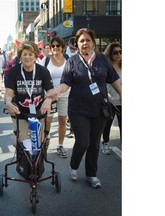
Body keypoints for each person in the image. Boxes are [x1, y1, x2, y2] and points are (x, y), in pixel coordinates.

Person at [47, 28, 121, 188]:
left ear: (93, 42)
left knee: (94, 143)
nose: (85, 43)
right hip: (78, 109)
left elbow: (113, 79)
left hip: (99, 109)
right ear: (77, 44)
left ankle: (91, 174)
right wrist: (57, 91)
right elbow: (66, 82)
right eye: (81, 41)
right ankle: (74, 165)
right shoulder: (72, 61)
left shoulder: (102, 60)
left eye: (88, 40)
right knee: (83, 141)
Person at [4, 41, 55, 146]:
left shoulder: (43, 71)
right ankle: (23, 160)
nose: (27, 57)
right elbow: (8, 94)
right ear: (20, 57)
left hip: (39, 111)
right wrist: (8, 103)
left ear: (36, 56)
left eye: (30, 54)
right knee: (21, 144)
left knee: (40, 144)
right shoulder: (14, 71)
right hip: (20, 112)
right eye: (24, 54)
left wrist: (48, 100)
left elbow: (51, 91)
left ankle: (39, 159)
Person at [39, 37, 69, 158]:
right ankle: (45, 140)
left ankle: (60, 145)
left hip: (65, 96)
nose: (55, 48)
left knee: (62, 121)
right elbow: (38, 74)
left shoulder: (68, 60)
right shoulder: (46, 60)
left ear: (62, 47)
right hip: (49, 97)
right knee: (48, 120)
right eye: (53, 46)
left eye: (58, 46)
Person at [101, 42, 122, 154]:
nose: (119, 54)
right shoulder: (106, 67)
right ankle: (105, 143)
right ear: (110, 54)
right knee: (107, 123)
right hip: (110, 101)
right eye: (115, 52)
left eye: (120, 52)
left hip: (122, 101)